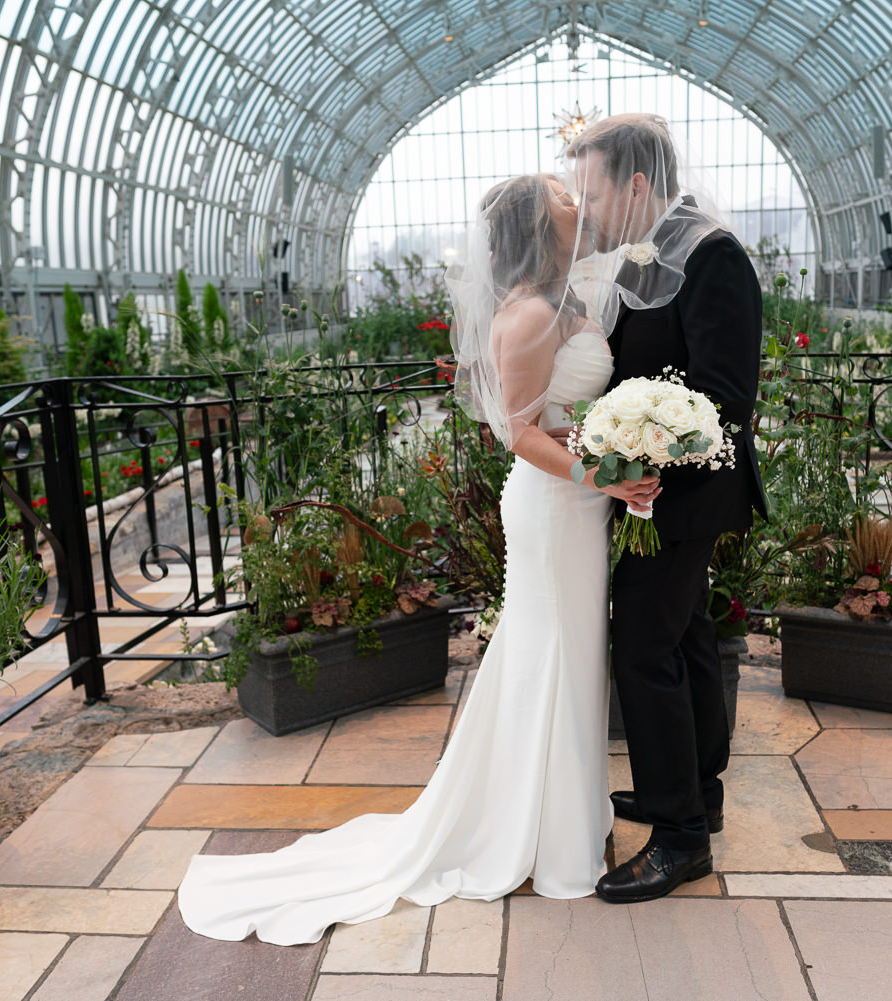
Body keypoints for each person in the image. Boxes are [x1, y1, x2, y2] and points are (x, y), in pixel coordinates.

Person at [175, 172, 655, 946]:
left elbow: (569, 419)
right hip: (551, 508)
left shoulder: (572, 300)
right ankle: (540, 833)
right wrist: (600, 472)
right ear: (539, 225)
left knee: (571, 655)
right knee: (551, 651)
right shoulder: (529, 315)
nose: (578, 201)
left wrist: (614, 454)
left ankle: (566, 812)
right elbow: (518, 433)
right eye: (564, 198)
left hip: (581, 504)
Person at [565, 113, 767, 903]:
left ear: (638, 184)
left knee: (644, 648)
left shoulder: (714, 255)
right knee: (684, 638)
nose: (588, 211)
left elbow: (727, 395)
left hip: (685, 494)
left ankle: (679, 839)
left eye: (595, 193)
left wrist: (646, 458)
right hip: (648, 491)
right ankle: (695, 792)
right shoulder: (636, 259)